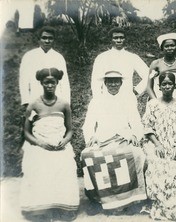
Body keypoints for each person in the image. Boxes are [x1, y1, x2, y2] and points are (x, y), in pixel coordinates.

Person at [81, 71, 147, 215]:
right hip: (102, 138)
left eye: (116, 81)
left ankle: (131, 200)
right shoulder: (97, 100)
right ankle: (97, 200)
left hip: (123, 137)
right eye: (109, 81)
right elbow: (88, 124)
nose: (113, 84)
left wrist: (135, 135)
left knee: (135, 154)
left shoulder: (128, 99)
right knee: (88, 156)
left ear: (121, 83)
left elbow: (136, 121)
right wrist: (91, 137)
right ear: (105, 82)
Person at [20, 68, 79, 221]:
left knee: (66, 165)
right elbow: (26, 132)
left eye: (53, 82)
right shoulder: (34, 104)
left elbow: (70, 130)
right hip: (40, 144)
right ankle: (42, 207)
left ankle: (62, 206)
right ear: (41, 83)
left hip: (59, 144)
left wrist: (64, 141)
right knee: (39, 164)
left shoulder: (64, 104)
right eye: (46, 83)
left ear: (57, 83)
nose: (50, 86)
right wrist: (40, 143)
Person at [142, 72, 176, 221]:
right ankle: (161, 203)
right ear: (159, 87)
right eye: (163, 84)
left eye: (169, 84)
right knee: (158, 163)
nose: (166, 87)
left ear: (174, 86)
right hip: (156, 143)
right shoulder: (152, 104)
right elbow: (148, 127)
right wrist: (157, 144)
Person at [90, 27, 149, 106]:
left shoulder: (132, 57)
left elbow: (148, 74)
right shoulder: (101, 57)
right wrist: (98, 99)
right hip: (106, 99)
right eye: (115, 38)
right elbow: (95, 81)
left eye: (121, 38)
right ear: (111, 40)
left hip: (127, 99)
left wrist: (137, 91)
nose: (119, 40)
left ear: (125, 39)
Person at [19, 26, 71, 106]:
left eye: (50, 38)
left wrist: (67, 103)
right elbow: (24, 81)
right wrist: (26, 101)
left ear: (54, 40)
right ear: (39, 39)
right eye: (44, 38)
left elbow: (64, 82)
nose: (47, 41)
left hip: (56, 101)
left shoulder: (59, 57)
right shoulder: (29, 56)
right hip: (36, 100)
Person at [147, 32, 176, 100]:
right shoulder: (155, 64)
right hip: (159, 99)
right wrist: (156, 102)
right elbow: (149, 87)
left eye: (172, 45)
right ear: (162, 48)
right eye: (166, 46)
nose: (170, 48)